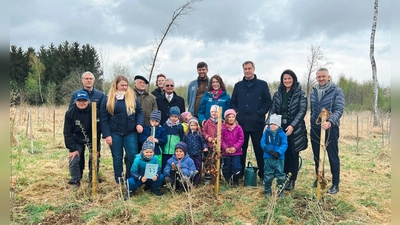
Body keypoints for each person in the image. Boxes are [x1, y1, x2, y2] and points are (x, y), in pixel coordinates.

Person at [265, 69, 308, 191]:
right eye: (285, 79)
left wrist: (293, 125)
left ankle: (292, 180)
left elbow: (302, 111)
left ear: (293, 79)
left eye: (289, 78)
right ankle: (282, 178)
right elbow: (273, 110)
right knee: (282, 153)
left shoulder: (301, 93)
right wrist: (268, 123)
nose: (287, 81)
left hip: (295, 129)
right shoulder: (278, 94)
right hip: (280, 128)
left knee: (293, 154)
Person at [231, 61, 272, 182]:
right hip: (241, 125)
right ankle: (240, 173)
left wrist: (260, 113)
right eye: (245, 69)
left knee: (259, 149)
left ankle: (263, 175)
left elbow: (268, 102)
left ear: (254, 69)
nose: (247, 71)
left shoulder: (262, 84)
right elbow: (233, 102)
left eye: (249, 68)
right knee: (240, 150)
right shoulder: (238, 86)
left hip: (257, 123)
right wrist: (237, 112)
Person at [100, 75, 144, 184]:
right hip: (115, 133)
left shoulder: (132, 97)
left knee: (132, 156)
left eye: (126, 85)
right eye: (122, 85)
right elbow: (104, 118)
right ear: (116, 85)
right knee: (117, 157)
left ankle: (130, 178)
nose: (124, 87)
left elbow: (139, 112)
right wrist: (107, 135)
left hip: (130, 133)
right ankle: (119, 179)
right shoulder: (108, 98)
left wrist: (139, 124)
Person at [310, 68, 344, 194]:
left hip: (331, 128)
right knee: (317, 156)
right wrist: (312, 125)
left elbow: (339, 110)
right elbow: (313, 110)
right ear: (316, 78)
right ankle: (319, 178)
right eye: (319, 77)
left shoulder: (336, 91)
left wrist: (330, 122)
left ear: (328, 77)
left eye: (323, 76)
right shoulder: (313, 92)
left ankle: (335, 184)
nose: (321, 79)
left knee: (332, 156)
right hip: (316, 128)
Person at [63, 91, 100, 188]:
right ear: (75, 101)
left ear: (88, 101)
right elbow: (67, 132)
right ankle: (75, 180)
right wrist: (72, 149)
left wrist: (96, 148)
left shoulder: (95, 111)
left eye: (84, 100)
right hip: (76, 138)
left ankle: (93, 180)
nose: (81, 103)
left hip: (91, 137)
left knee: (95, 158)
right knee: (74, 159)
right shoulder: (70, 113)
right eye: (79, 100)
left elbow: (98, 131)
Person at [261, 114, 288, 198]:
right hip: (268, 157)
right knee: (268, 175)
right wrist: (270, 151)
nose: (273, 126)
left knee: (280, 175)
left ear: (278, 125)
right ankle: (267, 191)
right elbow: (262, 143)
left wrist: (279, 153)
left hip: (279, 158)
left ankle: (280, 191)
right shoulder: (266, 133)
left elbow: (284, 144)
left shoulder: (282, 134)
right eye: (271, 124)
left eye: (275, 124)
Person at [221, 109, 244, 187]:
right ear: (226, 118)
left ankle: (235, 181)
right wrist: (225, 148)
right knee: (226, 166)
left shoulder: (238, 128)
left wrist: (235, 147)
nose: (231, 119)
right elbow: (221, 139)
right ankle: (228, 180)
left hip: (236, 152)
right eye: (229, 117)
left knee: (236, 166)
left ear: (235, 117)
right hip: (226, 152)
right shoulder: (223, 128)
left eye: (232, 117)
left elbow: (241, 139)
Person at [183, 117, 208, 186]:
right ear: (189, 126)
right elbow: (183, 143)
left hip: (197, 154)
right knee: (190, 168)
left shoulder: (199, 134)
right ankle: (190, 181)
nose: (193, 127)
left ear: (197, 126)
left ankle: (196, 182)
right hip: (189, 154)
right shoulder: (187, 134)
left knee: (198, 168)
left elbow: (203, 142)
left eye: (194, 125)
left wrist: (205, 147)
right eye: (191, 125)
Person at [162, 106, 184, 171]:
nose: (173, 118)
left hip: (175, 151)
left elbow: (182, 138)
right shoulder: (165, 125)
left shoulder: (180, 126)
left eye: (176, 117)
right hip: (166, 150)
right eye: (172, 116)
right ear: (169, 116)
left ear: (178, 117)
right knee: (165, 164)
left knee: (174, 165)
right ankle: (165, 178)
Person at [201, 104, 220, 184]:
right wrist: (208, 137)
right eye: (212, 112)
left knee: (217, 161)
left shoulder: (221, 122)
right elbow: (203, 131)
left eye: (216, 112)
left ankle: (217, 177)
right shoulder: (207, 122)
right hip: (209, 146)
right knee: (208, 162)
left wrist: (218, 139)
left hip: (218, 146)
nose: (214, 113)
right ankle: (207, 177)